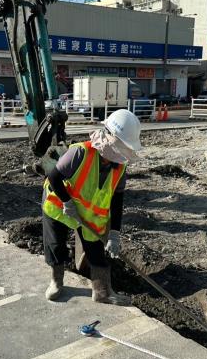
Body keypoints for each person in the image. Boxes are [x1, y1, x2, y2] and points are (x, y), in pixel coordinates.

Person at [42, 109, 142, 305]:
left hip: (88, 215)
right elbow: (53, 177)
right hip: (58, 204)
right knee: (56, 244)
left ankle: (102, 292)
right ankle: (56, 281)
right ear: (107, 137)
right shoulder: (80, 152)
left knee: (96, 249)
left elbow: (117, 200)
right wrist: (67, 202)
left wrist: (114, 233)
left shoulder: (120, 167)